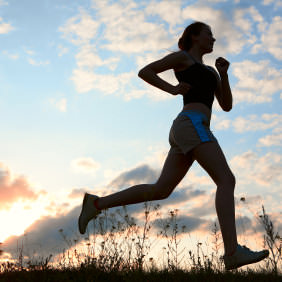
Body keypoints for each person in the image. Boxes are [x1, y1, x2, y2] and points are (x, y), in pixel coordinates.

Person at [78, 21, 269, 270]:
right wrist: (173, 89)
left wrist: (224, 74)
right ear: (194, 37)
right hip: (191, 124)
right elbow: (146, 71)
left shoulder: (211, 71)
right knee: (226, 180)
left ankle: (96, 204)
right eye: (208, 34)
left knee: (161, 189)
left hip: (188, 128)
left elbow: (226, 105)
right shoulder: (183, 58)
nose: (213, 39)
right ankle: (232, 252)